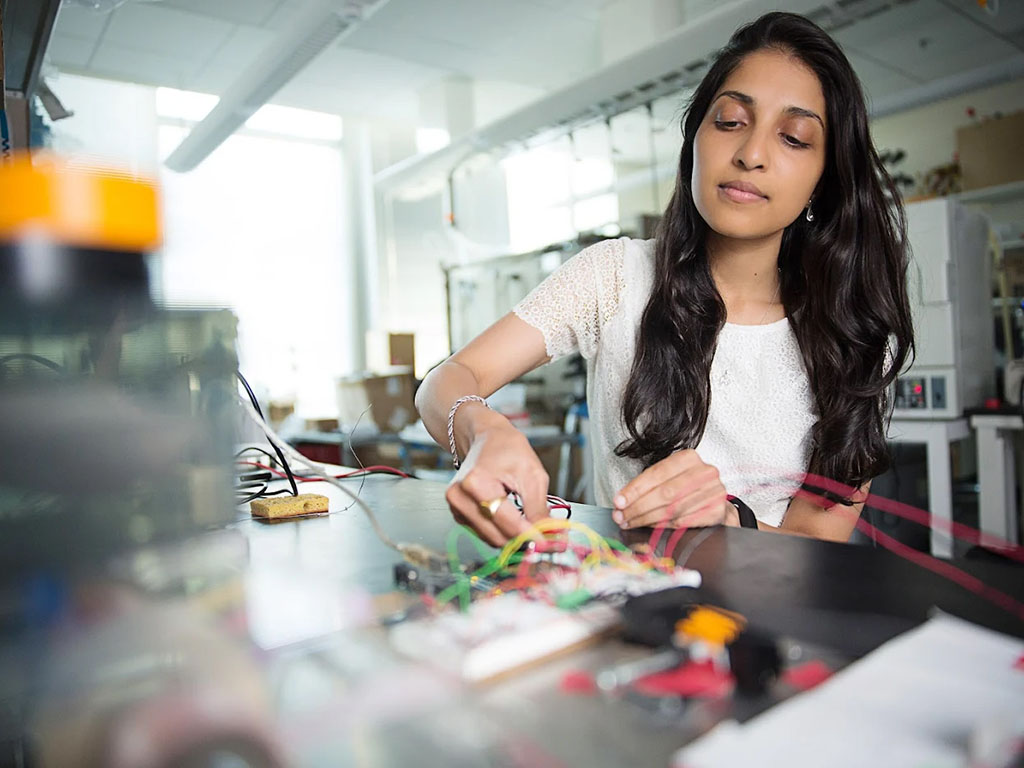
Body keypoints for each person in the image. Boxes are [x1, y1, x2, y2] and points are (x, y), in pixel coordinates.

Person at [415, 11, 913, 546]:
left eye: (793, 138)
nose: (751, 154)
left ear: (824, 179)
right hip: (620, 602)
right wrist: (482, 429)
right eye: (729, 122)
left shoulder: (855, 339)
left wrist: (727, 520)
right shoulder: (612, 276)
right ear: (694, 139)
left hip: (769, 618)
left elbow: (819, 543)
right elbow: (448, 379)